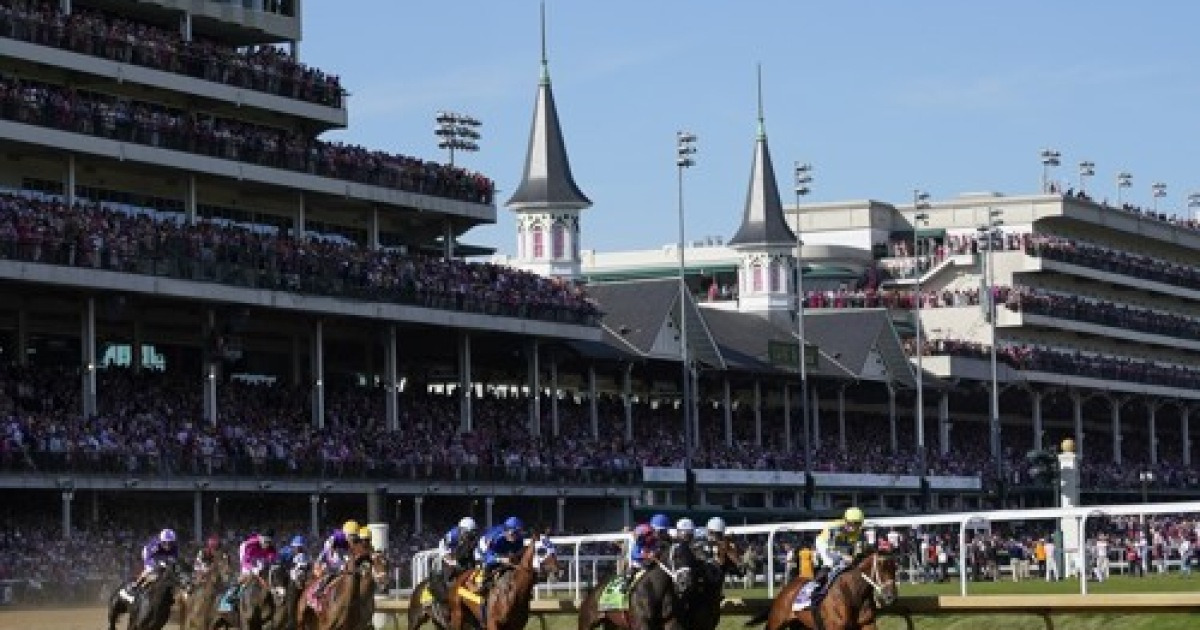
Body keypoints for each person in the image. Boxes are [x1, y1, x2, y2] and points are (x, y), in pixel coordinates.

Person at [795, 507, 866, 609]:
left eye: (857, 523)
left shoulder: (857, 532)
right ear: (845, 520)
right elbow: (831, 550)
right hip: (824, 543)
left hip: (838, 546)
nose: (854, 527)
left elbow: (853, 549)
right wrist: (844, 556)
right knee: (830, 563)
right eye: (851, 523)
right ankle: (809, 591)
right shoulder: (835, 528)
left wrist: (854, 557)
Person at [119, 528, 179, 602]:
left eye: (170, 543)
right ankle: (134, 587)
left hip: (162, 556)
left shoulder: (175, 547)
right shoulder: (155, 545)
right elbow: (148, 558)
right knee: (151, 570)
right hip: (149, 554)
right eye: (165, 543)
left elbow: (175, 560)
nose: (168, 545)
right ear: (161, 541)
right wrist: (157, 564)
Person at [478, 516, 525, 596]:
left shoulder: (519, 538)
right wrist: (500, 559)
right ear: (508, 530)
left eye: (519, 532)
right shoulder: (495, 537)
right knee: (488, 565)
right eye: (516, 532)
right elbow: (488, 556)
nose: (517, 536)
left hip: (502, 550)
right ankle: (482, 586)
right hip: (484, 549)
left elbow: (519, 553)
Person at [437, 517, 479, 592]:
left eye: (473, 532)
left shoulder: (472, 537)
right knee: (451, 568)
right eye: (469, 533)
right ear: (462, 530)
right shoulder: (452, 535)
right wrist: (451, 561)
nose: (472, 534)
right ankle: (448, 587)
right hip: (448, 553)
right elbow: (443, 548)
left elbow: (474, 552)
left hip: (462, 553)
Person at [313, 529, 351, 599]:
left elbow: (347, 558)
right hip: (331, 569)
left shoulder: (343, 547)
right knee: (327, 575)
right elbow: (322, 555)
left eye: (333, 546)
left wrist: (346, 565)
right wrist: (318, 563)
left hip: (341, 569)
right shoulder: (329, 545)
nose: (332, 548)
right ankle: (320, 590)